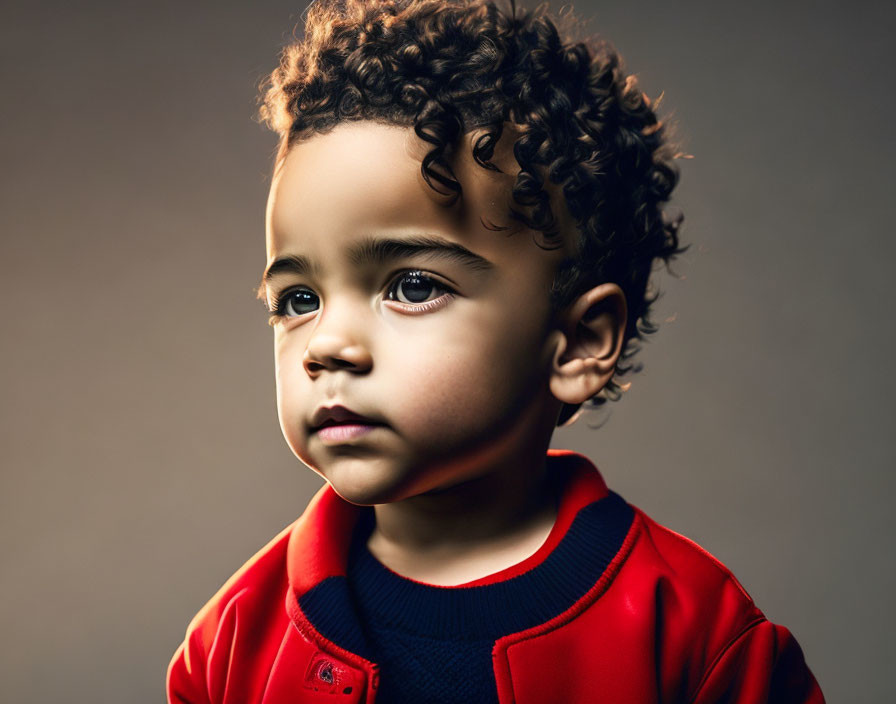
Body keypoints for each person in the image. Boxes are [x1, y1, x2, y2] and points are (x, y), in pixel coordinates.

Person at [167, 1, 825, 701]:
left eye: (412, 285)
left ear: (577, 343)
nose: (327, 344)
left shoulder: (698, 639)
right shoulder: (231, 647)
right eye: (299, 299)